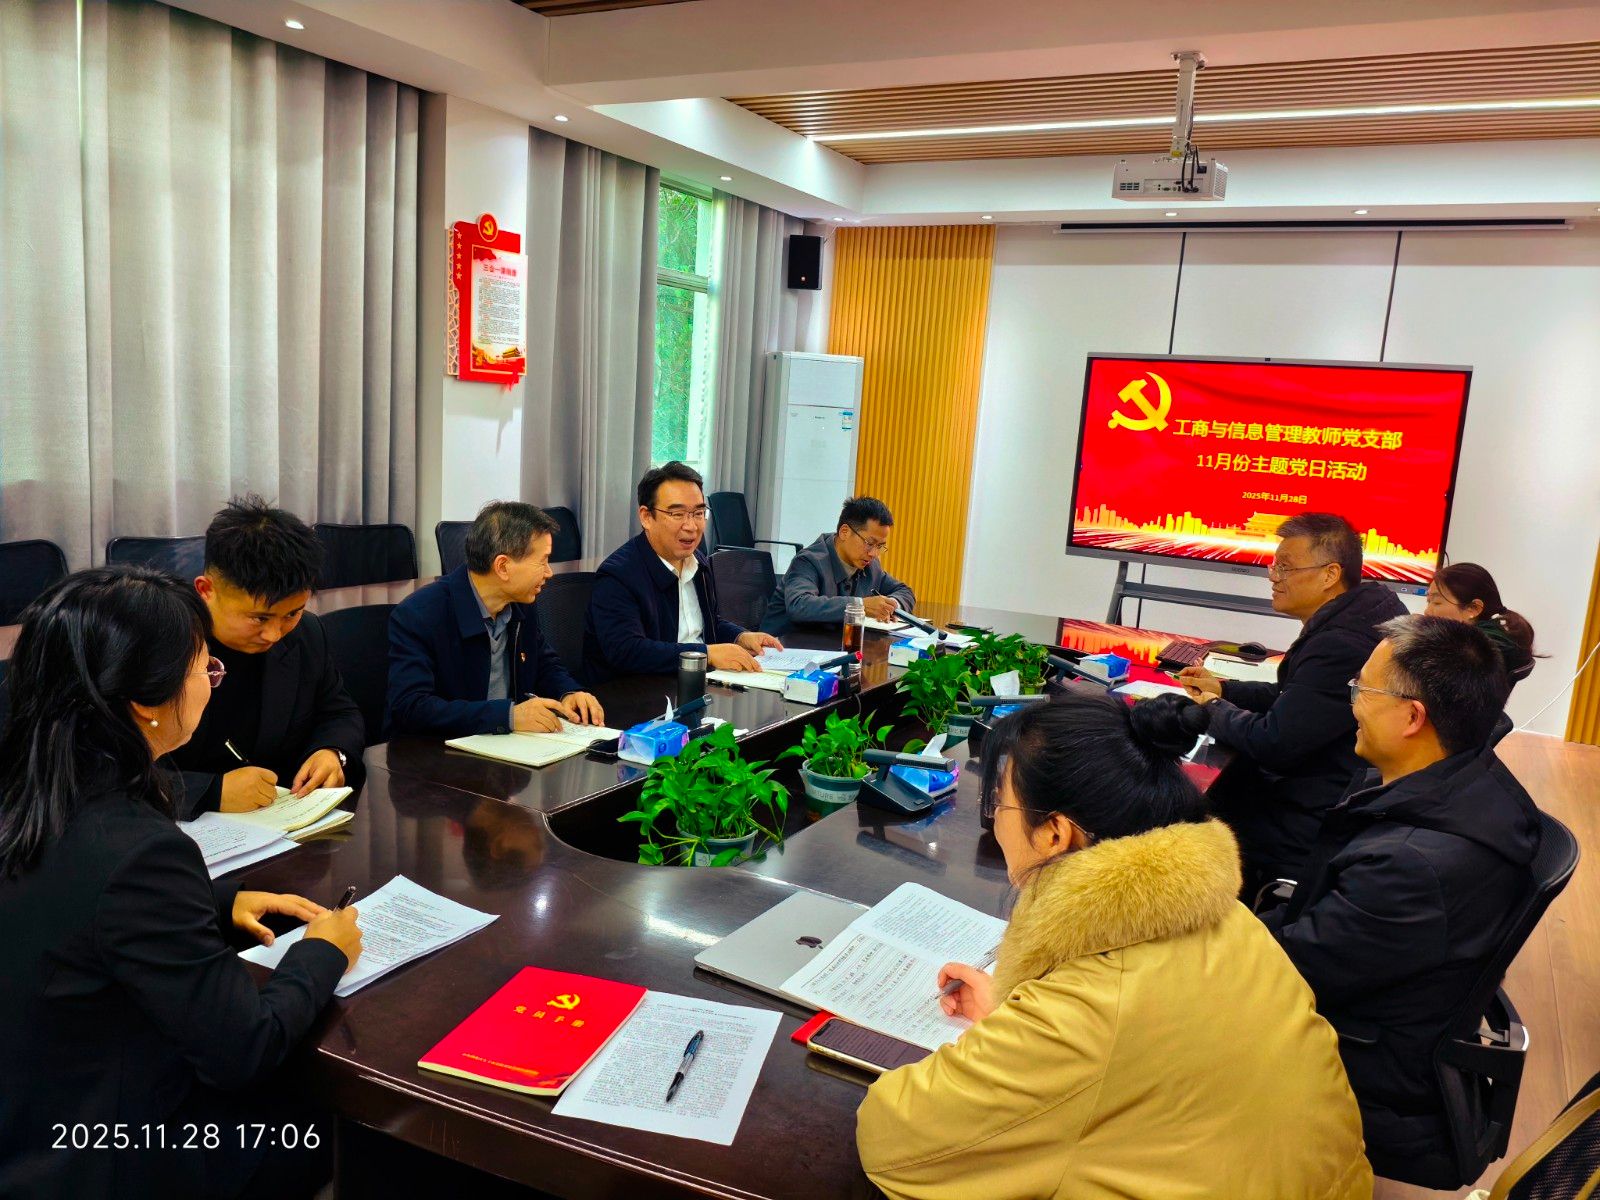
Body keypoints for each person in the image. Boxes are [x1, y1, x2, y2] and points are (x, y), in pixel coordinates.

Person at [856, 694, 1372, 1200]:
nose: (994, 818)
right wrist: (1015, 1021)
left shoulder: (1086, 1012)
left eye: (999, 803)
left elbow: (894, 1141)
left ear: (1055, 833)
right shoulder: (1231, 919)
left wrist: (1029, 1034)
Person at [0, 567, 363, 1199]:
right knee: (323, 1125)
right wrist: (322, 953)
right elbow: (243, 1049)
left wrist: (218, 902)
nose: (211, 682)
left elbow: (66, 903)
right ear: (146, 702)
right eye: (204, 668)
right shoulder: (142, 850)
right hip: (107, 1150)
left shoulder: (31, 789)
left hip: (25, 1113)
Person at [1263, 615, 1540, 1182]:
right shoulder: (1465, 779)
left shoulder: (1411, 866)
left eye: (1363, 689)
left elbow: (1282, 974)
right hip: (1385, 1014)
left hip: (1366, 1072)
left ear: (1413, 717)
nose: (1353, 704)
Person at [1178, 512, 1406, 892]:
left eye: (1285, 567)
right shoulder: (1358, 614)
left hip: (1311, 815)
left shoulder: (1342, 644)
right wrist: (1225, 690)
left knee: (1190, 803)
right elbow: (1296, 697)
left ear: (1330, 575)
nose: (1273, 576)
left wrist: (1212, 709)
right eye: (1274, 566)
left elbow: (1275, 742)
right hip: (1335, 789)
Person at [169, 496, 364, 819]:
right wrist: (210, 791)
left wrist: (332, 753)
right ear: (205, 590)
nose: (274, 635)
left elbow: (339, 712)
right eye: (259, 618)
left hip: (280, 821)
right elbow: (105, 770)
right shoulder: (159, 643)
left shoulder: (306, 635)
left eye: (292, 613)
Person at [388, 501, 604, 737]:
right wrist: (507, 716)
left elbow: (543, 663)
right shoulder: (420, 614)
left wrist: (569, 692)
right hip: (437, 750)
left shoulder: (522, 603)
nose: (549, 572)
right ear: (502, 566)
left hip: (506, 743)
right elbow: (411, 707)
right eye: (542, 561)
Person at [583, 461, 782, 683]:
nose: (691, 526)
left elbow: (705, 625)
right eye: (678, 514)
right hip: (637, 691)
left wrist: (740, 636)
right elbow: (627, 651)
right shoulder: (618, 575)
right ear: (646, 517)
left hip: (694, 682)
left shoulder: (698, 563)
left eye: (698, 513)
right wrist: (706, 654)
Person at [765, 495, 916, 628]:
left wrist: (890, 605)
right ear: (845, 532)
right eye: (870, 543)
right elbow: (799, 605)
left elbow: (905, 591)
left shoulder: (871, 565)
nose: (874, 553)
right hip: (784, 645)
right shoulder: (809, 560)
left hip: (831, 645)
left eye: (880, 546)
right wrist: (861, 606)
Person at [1425, 562, 1538, 687]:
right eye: (1428, 601)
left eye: (1436, 602)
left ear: (1473, 608)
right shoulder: (1498, 637)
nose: (1427, 612)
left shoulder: (1474, 654)